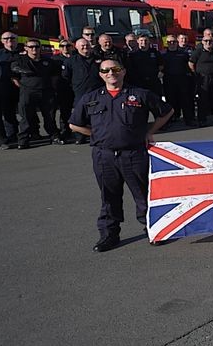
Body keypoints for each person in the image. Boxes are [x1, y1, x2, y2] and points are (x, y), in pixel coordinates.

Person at [69, 58, 173, 252]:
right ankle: (109, 234)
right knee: (109, 197)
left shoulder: (139, 94)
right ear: (100, 74)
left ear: (123, 71)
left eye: (115, 69)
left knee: (143, 195)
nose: (111, 73)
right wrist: (97, 135)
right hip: (104, 156)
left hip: (134, 154)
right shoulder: (91, 98)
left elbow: (166, 111)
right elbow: (74, 124)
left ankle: (153, 230)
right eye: (106, 70)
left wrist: (150, 131)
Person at [11, 40, 64, 148]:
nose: (34, 49)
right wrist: (23, 86)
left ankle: (54, 136)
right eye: (31, 47)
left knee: (50, 116)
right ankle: (23, 141)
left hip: (46, 92)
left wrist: (52, 87)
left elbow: (55, 75)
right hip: (28, 92)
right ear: (26, 48)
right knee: (26, 117)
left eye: (36, 46)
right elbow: (14, 74)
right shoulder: (20, 60)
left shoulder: (48, 61)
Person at [64, 38, 103, 142]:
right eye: (82, 45)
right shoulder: (71, 61)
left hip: (97, 92)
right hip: (80, 93)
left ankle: (97, 135)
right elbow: (65, 77)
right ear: (76, 47)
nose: (85, 47)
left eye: (87, 45)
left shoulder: (98, 59)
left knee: (97, 115)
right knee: (80, 115)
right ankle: (79, 137)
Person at [189, 32, 213, 126]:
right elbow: (191, 63)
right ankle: (202, 120)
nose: (208, 42)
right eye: (206, 41)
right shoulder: (198, 52)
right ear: (202, 42)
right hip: (203, 78)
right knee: (203, 99)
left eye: (210, 41)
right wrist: (197, 74)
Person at [160, 35, 196, 126]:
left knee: (185, 100)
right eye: (169, 42)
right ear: (166, 43)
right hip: (169, 79)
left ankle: (189, 119)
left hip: (182, 79)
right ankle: (170, 119)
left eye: (174, 42)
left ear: (177, 42)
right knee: (170, 101)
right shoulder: (162, 54)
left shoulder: (183, 54)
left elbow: (189, 66)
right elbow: (160, 67)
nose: (172, 44)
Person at [0, 31, 21, 139]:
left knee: (26, 111)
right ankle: (12, 134)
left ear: (16, 39)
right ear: (2, 41)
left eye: (12, 38)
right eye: (6, 39)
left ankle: (32, 133)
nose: (9, 40)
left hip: (22, 87)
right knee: (8, 112)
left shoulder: (24, 52)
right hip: (4, 87)